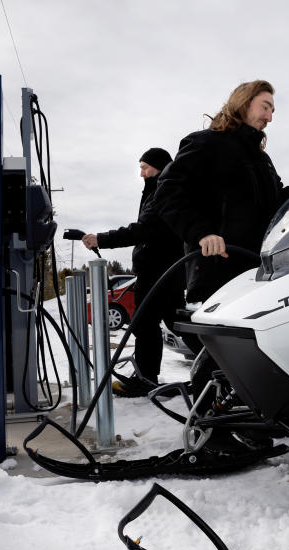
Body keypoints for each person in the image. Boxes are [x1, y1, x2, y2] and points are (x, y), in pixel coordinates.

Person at [152, 79, 289, 304]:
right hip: (215, 273)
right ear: (243, 103)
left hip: (258, 274)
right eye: (265, 107)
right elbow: (166, 192)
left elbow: (279, 199)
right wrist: (201, 233)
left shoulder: (261, 160)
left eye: (272, 111)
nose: (270, 118)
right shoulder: (206, 143)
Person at [82, 148, 184, 397]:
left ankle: (147, 379)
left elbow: (142, 230)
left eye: (145, 167)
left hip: (162, 271)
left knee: (149, 323)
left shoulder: (163, 190)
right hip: (159, 270)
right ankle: (148, 377)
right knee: (166, 323)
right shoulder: (155, 190)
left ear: (159, 166)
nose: (141, 173)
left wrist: (101, 239)